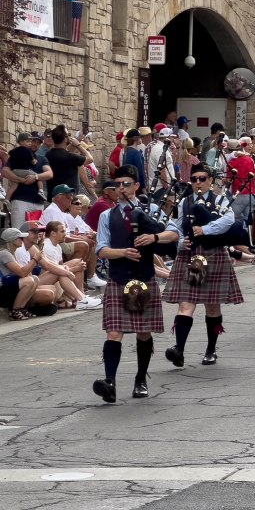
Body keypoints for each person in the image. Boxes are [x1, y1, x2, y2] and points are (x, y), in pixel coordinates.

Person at [92, 165, 180, 403]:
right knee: (114, 332)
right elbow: (101, 249)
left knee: (143, 332)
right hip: (118, 278)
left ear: (137, 186)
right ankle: (110, 382)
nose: (121, 188)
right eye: (117, 185)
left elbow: (174, 233)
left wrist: (154, 237)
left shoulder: (151, 209)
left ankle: (140, 379)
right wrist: (122, 252)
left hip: (143, 278)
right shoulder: (106, 215)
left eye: (126, 184)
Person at [162, 164, 244, 369]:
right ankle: (179, 350)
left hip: (214, 254)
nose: (197, 183)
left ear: (210, 180)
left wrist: (206, 229)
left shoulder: (221, 200)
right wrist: (180, 241)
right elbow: (175, 225)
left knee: (212, 306)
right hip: (190, 255)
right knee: (185, 304)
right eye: (194, 179)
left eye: (202, 178)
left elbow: (228, 221)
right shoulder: (185, 202)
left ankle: (211, 349)